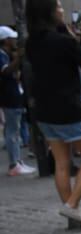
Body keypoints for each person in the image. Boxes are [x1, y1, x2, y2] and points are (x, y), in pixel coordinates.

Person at [26, 0, 81, 225]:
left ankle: (72, 214)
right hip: (69, 108)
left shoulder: (32, 42)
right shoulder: (64, 42)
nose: (61, 10)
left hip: (45, 109)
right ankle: (71, 205)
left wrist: (70, 37)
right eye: (58, 6)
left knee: (62, 163)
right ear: (48, 11)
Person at [0, 25, 35, 176]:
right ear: (6, 40)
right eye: (12, 38)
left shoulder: (6, 55)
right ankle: (14, 164)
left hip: (13, 96)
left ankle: (18, 162)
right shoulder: (1, 55)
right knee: (13, 131)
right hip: (9, 97)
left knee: (15, 129)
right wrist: (19, 58)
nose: (15, 41)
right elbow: (6, 71)